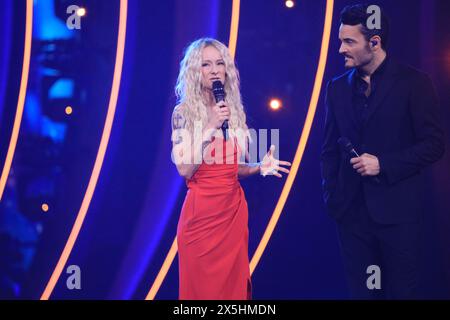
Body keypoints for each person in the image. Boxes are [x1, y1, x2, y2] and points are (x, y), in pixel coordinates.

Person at [320, 4, 445, 299]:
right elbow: (328, 150)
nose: (340, 49)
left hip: (397, 215)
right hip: (351, 215)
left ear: (374, 43)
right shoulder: (336, 88)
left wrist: (384, 164)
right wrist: (332, 196)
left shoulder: (414, 83)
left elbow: (434, 144)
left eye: (349, 41)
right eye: (340, 40)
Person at [171, 38, 291, 300]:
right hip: (201, 220)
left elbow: (231, 168)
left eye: (219, 63)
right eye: (206, 64)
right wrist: (210, 125)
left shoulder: (233, 111)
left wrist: (258, 167)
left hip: (232, 216)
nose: (214, 70)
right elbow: (184, 169)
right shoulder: (183, 113)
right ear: (194, 70)